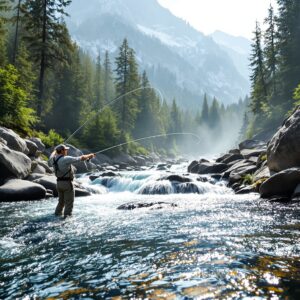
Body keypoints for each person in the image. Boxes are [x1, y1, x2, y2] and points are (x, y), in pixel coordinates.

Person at [48, 144, 95, 218]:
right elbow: (80, 158)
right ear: (62, 151)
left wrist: (55, 151)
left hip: (58, 184)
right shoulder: (65, 159)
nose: (67, 151)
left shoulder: (52, 159)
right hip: (67, 184)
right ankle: (67, 219)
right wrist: (90, 155)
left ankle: (56, 215)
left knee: (61, 202)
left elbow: (52, 154)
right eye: (65, 150)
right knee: (69, 203)